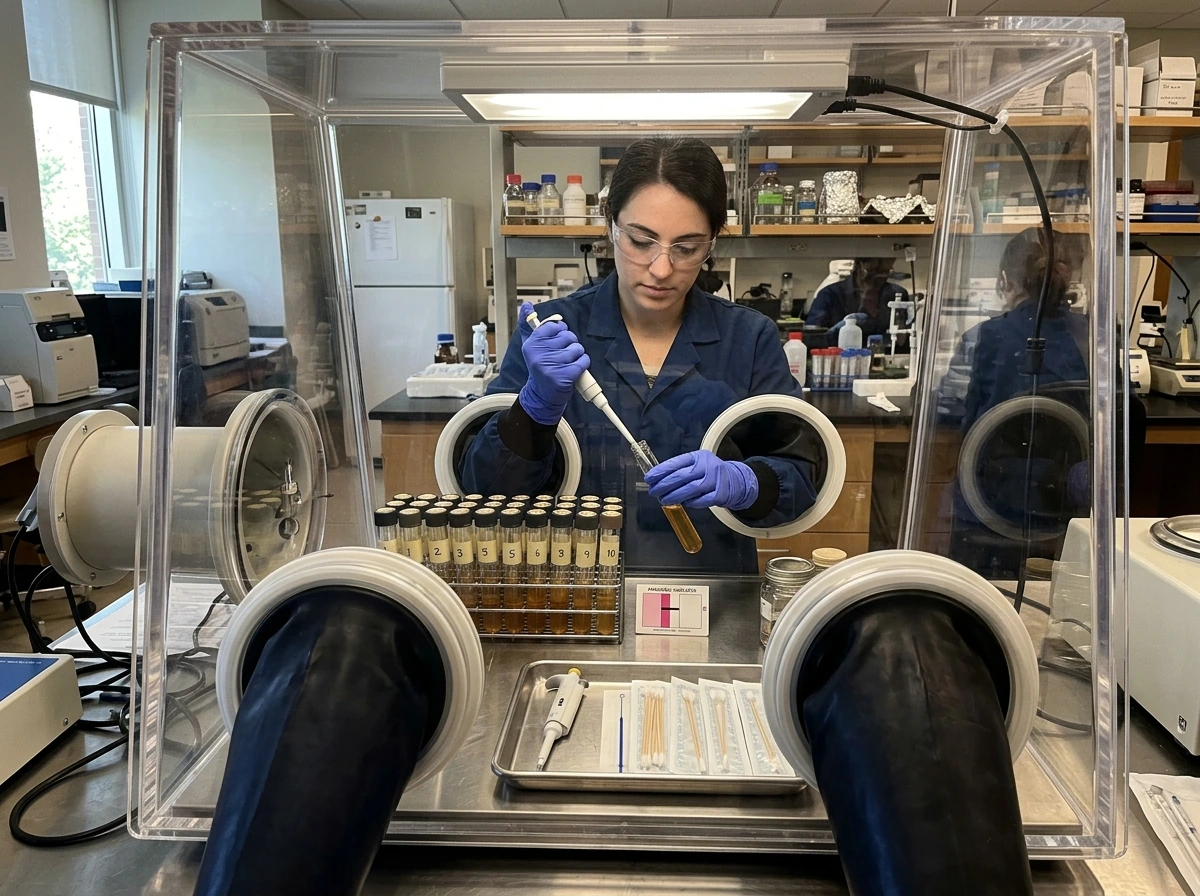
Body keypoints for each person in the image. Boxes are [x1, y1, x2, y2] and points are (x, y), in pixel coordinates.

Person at [458, 137, 818, 572]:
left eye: (686, 248)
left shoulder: (749, 338)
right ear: (611, 224)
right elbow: (483, 492)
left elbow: (801, 480)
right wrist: (532, 412)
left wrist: (746, 482)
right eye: (642, 241)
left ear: (712, 244)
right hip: (575, 591)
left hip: (712, 596)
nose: (662, 268)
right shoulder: (552, 334)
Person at [805, 257, 909, 348]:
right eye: (871, 271)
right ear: (858, 267)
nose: (878, 277)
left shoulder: (896, 294)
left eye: (884, 272)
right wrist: (840, 329)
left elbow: (901, 341)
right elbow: (812, 338)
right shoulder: (830, 294)